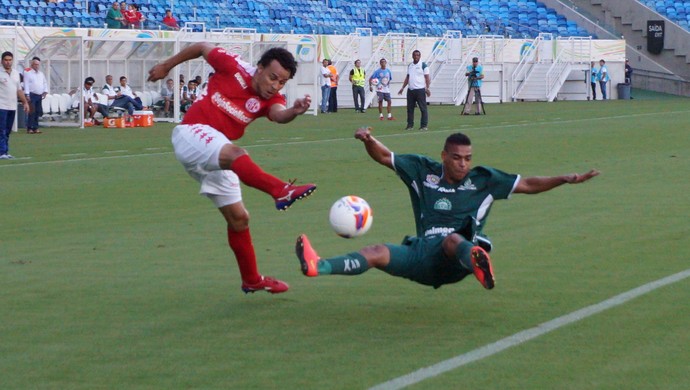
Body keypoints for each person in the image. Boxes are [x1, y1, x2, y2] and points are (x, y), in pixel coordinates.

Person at [296, 127, 599, 290]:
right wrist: (367, 139)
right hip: (422, 255)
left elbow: (528, 184)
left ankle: (479, 266)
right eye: (457, 158)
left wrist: (565, 178)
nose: (463, 163)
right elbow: (385, 157)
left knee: (454, 239)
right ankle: (318, 266)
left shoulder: (484, 180)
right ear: (444, 155)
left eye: (467, 158)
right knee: (376, 252)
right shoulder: (422, 171)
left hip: (455, 259)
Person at [147, 43, 316, 294]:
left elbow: (279, 114)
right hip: (191, 133)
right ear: (259, 68)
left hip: (215, 152)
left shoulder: (271, 99)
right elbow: (202, 47)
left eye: (282, 83)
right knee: (237, 153)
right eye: (272, 77)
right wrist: (166, 65)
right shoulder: (232, 66)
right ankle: (280, 191)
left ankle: (251, 280)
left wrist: (294, 110)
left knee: (239, 219)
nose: (275, 86)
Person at [0, 51, 30, 160]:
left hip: (12, 106)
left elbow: (19, 90)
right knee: (1, 130)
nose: (8, 62)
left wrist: (25, 102)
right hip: (1, 106)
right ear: (2, 61)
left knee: (7, 130)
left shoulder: (16, 73)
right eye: (6, 60)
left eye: (10, 60)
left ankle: (5, 151)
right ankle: (2, 152)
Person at [398, 50, 430, 131]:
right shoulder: (410, 66)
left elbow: (427, 78)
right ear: (412, 56)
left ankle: (423, 125)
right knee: (410, 109)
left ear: (420, 56)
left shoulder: (423, 65)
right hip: (411, 90)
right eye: (415, 55)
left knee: (423, 108)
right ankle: (410, 125)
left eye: (417, 55)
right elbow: (408, 77)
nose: (416, 57)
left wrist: (427, 88)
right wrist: (402, 87)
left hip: (420, 90)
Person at [23, 56, 48, 134]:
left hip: (39, 95)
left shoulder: (41, 74)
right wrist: (27, 94)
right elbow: (26, 84)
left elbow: (44, 83)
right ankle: (29, 128)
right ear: (32, 64)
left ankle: (36, 127)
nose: (37, 66)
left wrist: (45, 91)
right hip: (31, 94)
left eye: (38, 65)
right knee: (32, 112)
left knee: (37, 111)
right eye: (35, 64)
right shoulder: (28, 73)